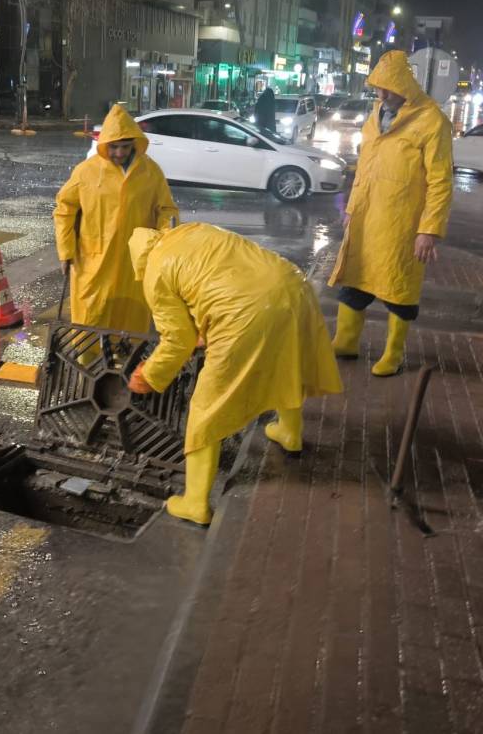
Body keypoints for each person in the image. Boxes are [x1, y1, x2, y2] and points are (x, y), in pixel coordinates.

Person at [126, 223, 344, 525]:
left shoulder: (154, 271)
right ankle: (290, 432)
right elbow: (218, 279)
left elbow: (177, 340)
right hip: (293, 286)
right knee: (285, 362)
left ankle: (195, 502)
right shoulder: (191, 231)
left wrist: (149, 375)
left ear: (136, 260)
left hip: (247, 312)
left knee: (206, 406)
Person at [328, 50, 453, 377]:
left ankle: (393, 354)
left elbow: (440, 180)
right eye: (377, 89)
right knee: (354, 280)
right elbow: (364, 168)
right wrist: (352, 209)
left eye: (387, 89)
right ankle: (346, 342)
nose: (381, 96)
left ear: (404, 86)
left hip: (403, 223)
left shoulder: (431, 121)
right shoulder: (374, 116)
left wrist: (429, 229)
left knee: (399, 288)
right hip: (367, 218)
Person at [53, 104, 179, 333]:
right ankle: (87, 367)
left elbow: (167, 210)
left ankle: (127, 367)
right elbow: (65, 209)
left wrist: (163, 245)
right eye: (114, 147)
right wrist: (66, 251)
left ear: (134, 143)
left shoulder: (151, 172)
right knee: (90, 322)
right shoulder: (86, 171)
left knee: (131, 324)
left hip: (136, 264)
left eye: (125, 147)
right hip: (93, 263)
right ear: (104, 145)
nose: (119, 153)